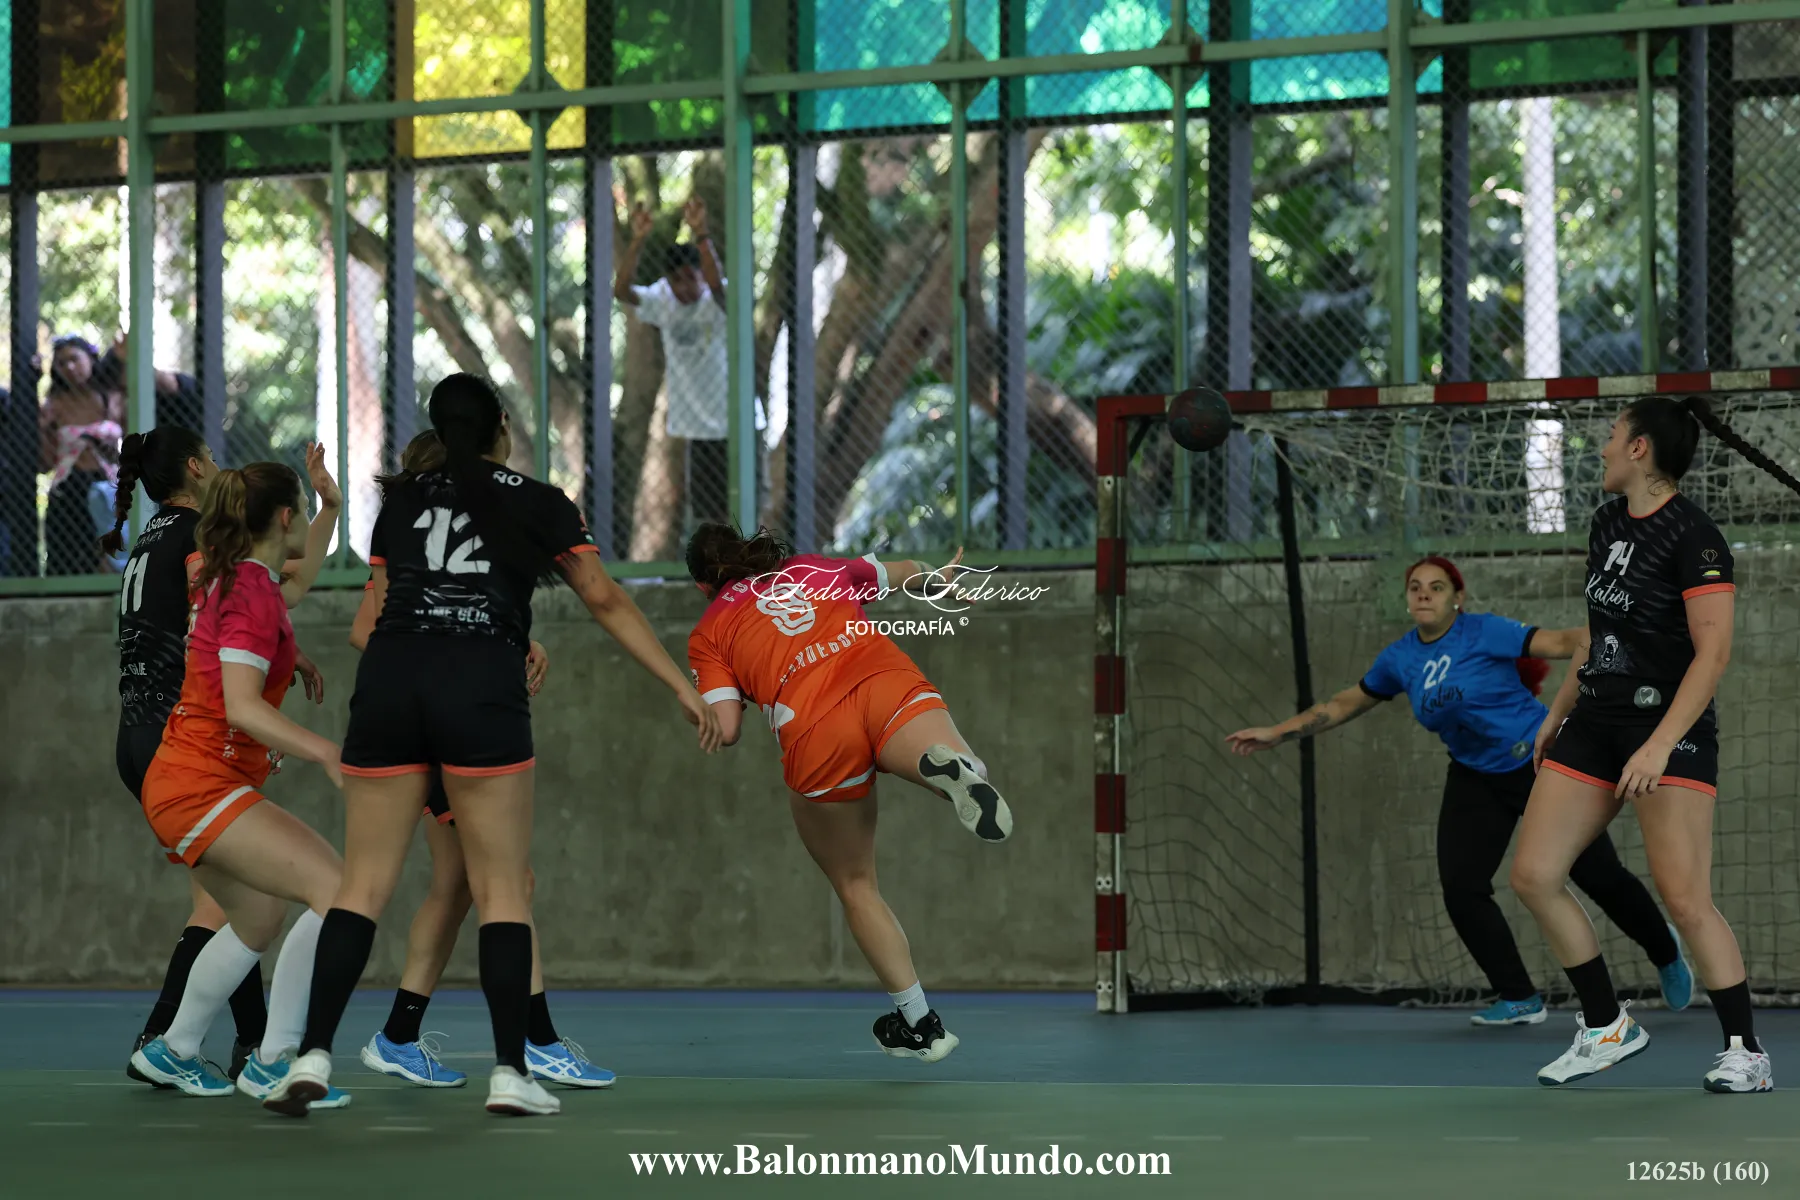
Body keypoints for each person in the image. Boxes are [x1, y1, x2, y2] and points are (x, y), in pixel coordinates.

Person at [265, 373, 721, 1119]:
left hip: (391, 683)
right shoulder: (539, 501)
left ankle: (311, 1056)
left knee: (362, 887)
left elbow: (385, 610)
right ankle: (511, 1071)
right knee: (503, 887)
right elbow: (603, 597)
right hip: (479, 685)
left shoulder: (401, 500)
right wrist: (680, 684)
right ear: (501, 425)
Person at [1226, 556, 1691, 1025]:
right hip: (1475, 775)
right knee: (1462, 887)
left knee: (1598, 875)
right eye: (1415, 587)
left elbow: (1565, 641)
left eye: (1436, 587)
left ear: (1457, 598)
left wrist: (1623, 635)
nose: (1424, 594)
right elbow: (1345, 702)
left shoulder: (1483, 631)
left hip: (1539, 761)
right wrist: (1277, 733)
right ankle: (1519, 997)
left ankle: (1664, 951)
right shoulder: (1400, 659)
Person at [1511, 395, 1800, 1092]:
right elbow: (1599, 634)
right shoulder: (1607, 522)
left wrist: (1660, 745)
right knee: (1534, 874)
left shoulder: (1696, 537)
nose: (1603, 446)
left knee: (1686, 899)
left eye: (1613, 435)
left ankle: (1746, 1052)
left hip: (1667, 730)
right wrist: (1558, 712)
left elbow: (1713, 654)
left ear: (1639, 448)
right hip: (1595, 722)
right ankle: (1606, 1025)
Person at [683, 524, 1013, 1065]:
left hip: (815, 729)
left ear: (703, 586)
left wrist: (694, 706)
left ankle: (921, 1025)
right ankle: (956, 769)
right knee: (943, 755)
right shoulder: (814, 568)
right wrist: (940, 580)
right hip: (882, 678)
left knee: (857, 884)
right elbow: (904, 572)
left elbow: (728, 726)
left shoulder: (709, 632)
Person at [350, 431, 608, 1091]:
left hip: (431, 718)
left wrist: (510, 641)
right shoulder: (421, 537)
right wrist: (453, 658)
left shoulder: (425, 539)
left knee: (460, 885)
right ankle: (536, 1040)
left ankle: (398, 1035)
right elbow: (365, 630)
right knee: (508, 882)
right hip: (435, 729)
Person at [128, 454, 352, 1109]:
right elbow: (243, 707)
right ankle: (274, 1061)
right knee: (337, 891)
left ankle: (173, 1048)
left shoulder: (245, 577)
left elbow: (301, 579)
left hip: (185, 779)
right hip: (199, 782)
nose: (306, 522)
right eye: (303, 511)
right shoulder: (250, 590)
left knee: (257, 916)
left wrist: (331, 508)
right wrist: (326, 752)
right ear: (283, 518)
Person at [107, 426, 302, 1085]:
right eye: (213, 458)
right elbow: (216, 605)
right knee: (226, 906)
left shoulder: (149, 536)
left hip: (137, 731)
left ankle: (240, 1040)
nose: (221, 467)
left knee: (234, 902)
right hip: (180, 737)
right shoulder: (197, 535)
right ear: (195, 467)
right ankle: (166, 1039)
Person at [615, 197, 730, 526]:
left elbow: (716, 285)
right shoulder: (662, 297)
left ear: (701, 276)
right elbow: (622, 291)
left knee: (747, 511)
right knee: (710, 516)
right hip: (697, 427)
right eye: (676, 280)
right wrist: (638, 239)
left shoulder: (717, 298)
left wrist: (701, 232)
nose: (684, 288)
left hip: (735, 422)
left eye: (691, 278)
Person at [39, 336, 123, 575]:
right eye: (61, 363)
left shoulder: (115, 399)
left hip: (108, 485)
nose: (69, 367)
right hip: (70, 485)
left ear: (91, 359)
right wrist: (42, 428)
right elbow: (44, 464)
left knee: (109, 555)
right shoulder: (54, 404)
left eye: (74, 359)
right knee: (66, 559)